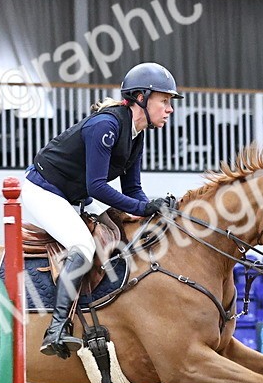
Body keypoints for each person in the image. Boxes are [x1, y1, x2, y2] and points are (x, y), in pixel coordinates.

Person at [23, 62, 182, 359]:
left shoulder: (137, 134)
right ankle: (57, 328)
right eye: (164, 100)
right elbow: (97, 186)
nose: (170, 108)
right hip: (44, 190)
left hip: (76, 195)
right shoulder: (106, 126)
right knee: (82, 246)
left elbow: (133, 190)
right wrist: (143, 206)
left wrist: (153, 212)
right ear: (141, 98)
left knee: (123, 233)